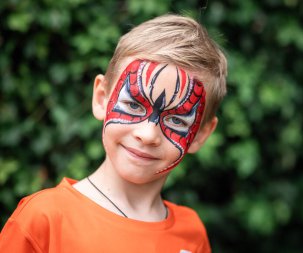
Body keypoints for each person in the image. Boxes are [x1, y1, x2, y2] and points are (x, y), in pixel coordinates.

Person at [0, 14, 227, 253]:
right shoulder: (44, 219)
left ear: (201, 134)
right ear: (101, 98)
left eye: (176, 119)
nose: (148, 134)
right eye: (134, 105)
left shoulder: (191, 234)